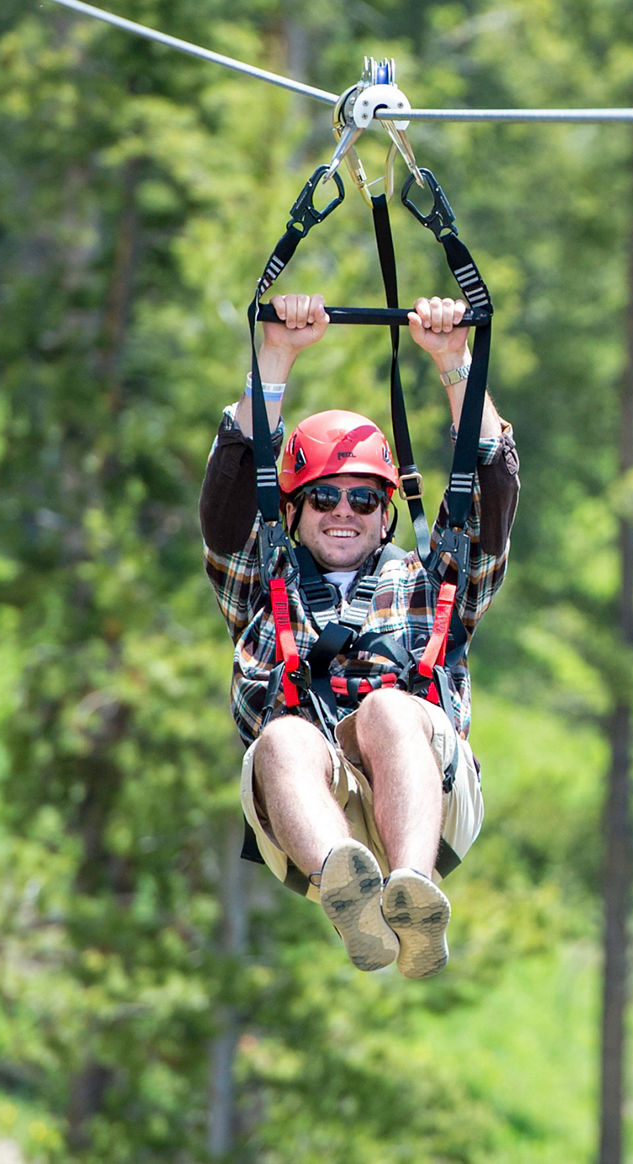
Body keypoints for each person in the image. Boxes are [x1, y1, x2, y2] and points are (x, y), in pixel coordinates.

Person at [200, 291, 518, 978]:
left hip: (427, 800)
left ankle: (412, 888)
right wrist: (277, 355)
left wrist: (455, 361)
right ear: (292, 509)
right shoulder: (264, 588)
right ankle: (351, 893)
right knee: (282, 736)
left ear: (385, 514)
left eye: (364, 498)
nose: (343, 512)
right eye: (323, 496)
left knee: (387, 710)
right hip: (308, 814)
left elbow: (489, 491)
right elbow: (228, 506)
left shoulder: (428, 585)